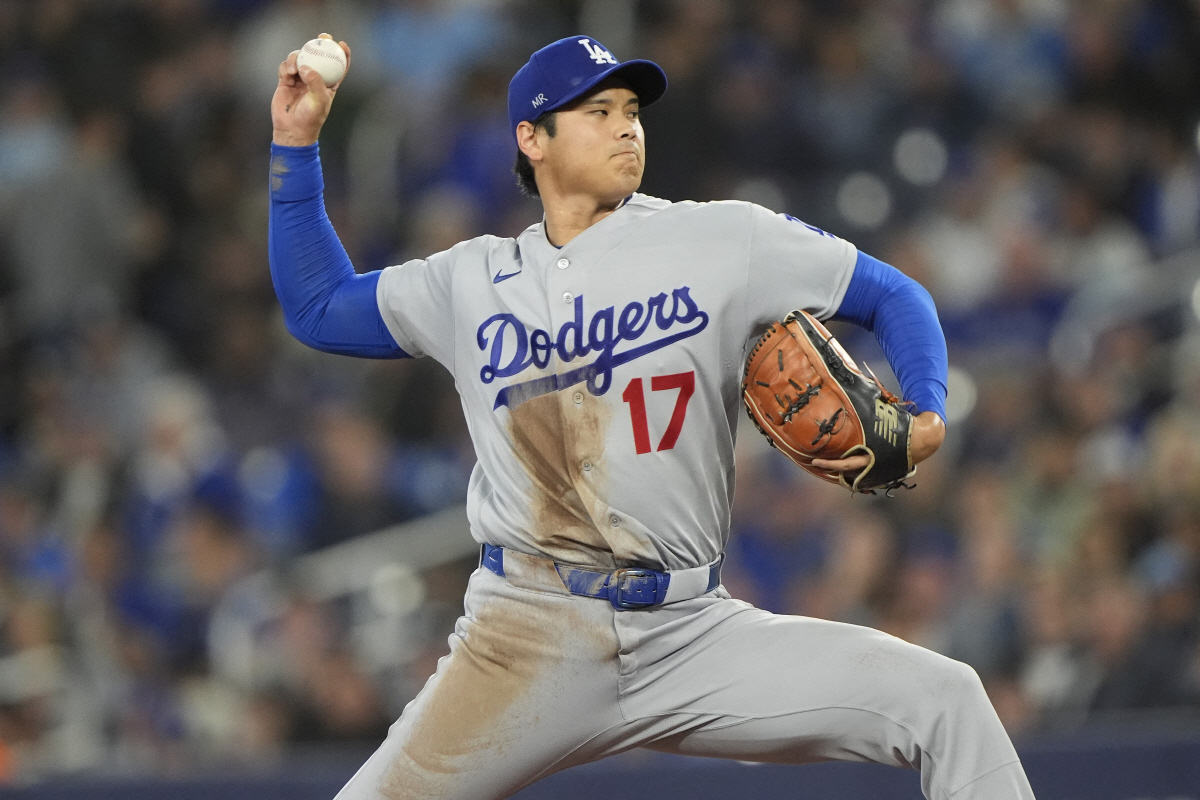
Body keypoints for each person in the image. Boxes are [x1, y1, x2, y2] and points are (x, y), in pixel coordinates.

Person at [269, 32, 1036, 800]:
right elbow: (318, 306)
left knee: (947, 701)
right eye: (596, 110)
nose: (625, 125)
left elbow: (893, 295)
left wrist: (928, 406)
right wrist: (296, 142)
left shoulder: (721, 238)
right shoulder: (470, 282)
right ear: (531, 139)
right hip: (526, 633)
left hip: (690, 630)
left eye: (631, 108)